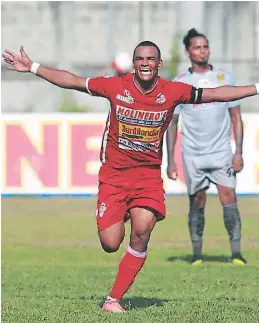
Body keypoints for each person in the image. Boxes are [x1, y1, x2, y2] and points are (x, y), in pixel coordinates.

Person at [3, 41, 258, 313]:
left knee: (142, 230)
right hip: (114, 176)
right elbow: (73, 80)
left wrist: (256, 88)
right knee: (111, 243)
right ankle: (118, 212)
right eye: (140, 58)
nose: (145, 63)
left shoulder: (173, 91)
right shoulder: (115, 86)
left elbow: (218, 93)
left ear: (159, 65)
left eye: (151, 59)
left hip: (147, 178)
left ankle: (113, 300)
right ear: (134, 63)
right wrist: (33, 67)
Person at [166, 28, 249, 265]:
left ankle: (236, 254)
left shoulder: (225, 78)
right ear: (188, 51)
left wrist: (238, 151)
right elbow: (172, 123)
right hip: (193, 154)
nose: (202, 51)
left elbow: (236, 117)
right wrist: (170, 160)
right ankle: (197, 255)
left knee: (228, 196)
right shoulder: (181, 83)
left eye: (205, 46)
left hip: (221, 151)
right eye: (197, 47)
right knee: (197, 200)